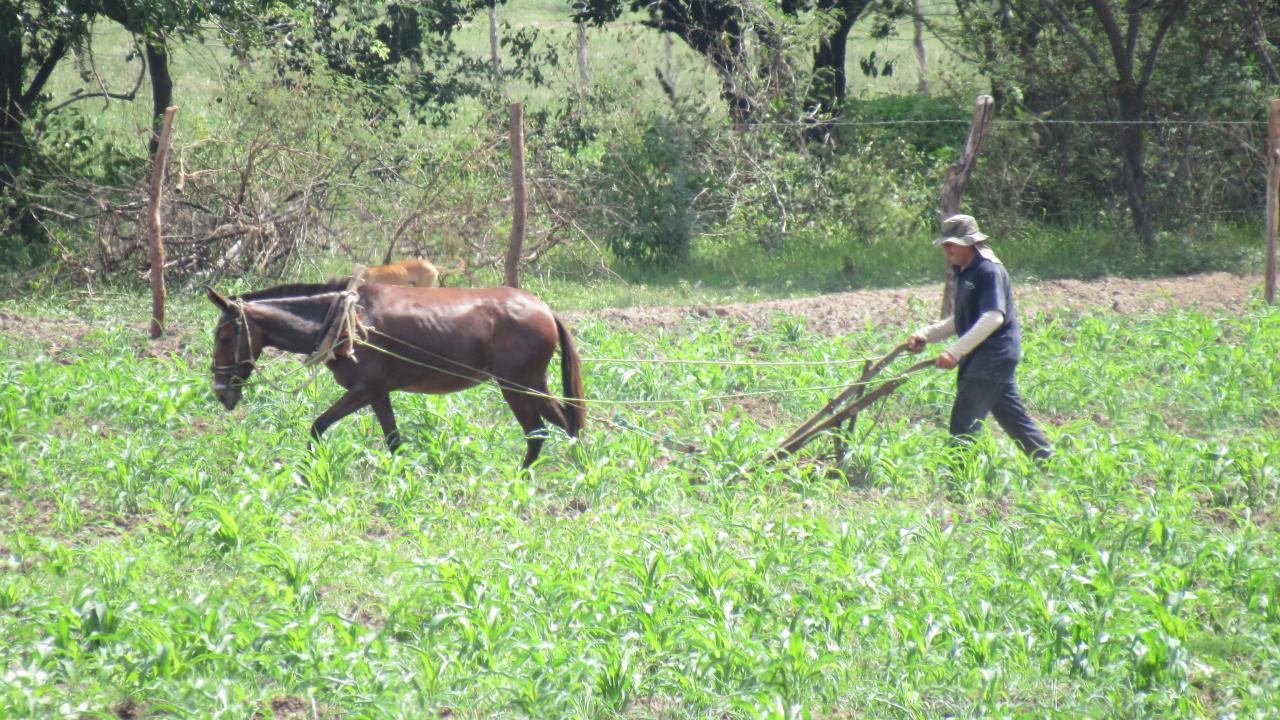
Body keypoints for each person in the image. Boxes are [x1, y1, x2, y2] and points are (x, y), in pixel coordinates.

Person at [906, 214, 1053, 461]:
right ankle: (1049, 463)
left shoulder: (988, 270)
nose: (947, 248)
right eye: (945, 243)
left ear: (969, 242)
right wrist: (926, 334)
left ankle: (958, 485)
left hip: (990, 357)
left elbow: (993, 317)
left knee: (963, 426)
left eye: (952, 243)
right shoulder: (965, 270)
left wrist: (954, 352)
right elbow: (962, 319)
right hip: (990, 359)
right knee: (1014, 421)